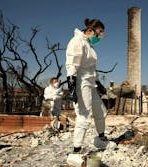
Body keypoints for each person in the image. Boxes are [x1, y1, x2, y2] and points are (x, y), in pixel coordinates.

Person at [65, 18, 107, 153]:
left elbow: (91, 68)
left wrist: (98, 83)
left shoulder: (88, 44)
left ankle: (101, 139)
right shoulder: (76, 42)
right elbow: (72, 64)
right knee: (84, 115)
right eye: (99, 33)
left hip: (91, 83)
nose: (100, 37)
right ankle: (76, 150)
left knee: (100, 111)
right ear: (90, 31)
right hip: (81, 83)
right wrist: (71, 88)